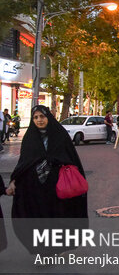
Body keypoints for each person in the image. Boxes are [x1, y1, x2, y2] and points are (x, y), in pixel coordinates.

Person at [5, 105, 88, 255]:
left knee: (56, 218)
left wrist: (53, 160)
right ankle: (42, 251)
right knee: (37, 218)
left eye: (42, 117)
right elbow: (23, 162)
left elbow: (70, 158)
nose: (39, 120)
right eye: (35, 117)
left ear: (48, 117)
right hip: (34, 187)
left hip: (55, 186)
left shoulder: (59, 135)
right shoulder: (29, 138)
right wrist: (14, 180)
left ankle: (54, 248)